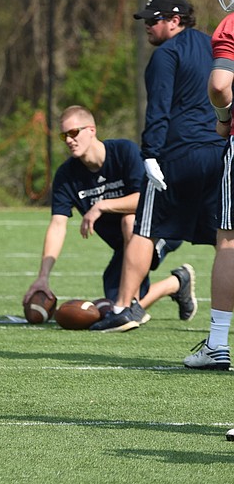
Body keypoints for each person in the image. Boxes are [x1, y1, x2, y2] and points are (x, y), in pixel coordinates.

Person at [99, 0, 225, 332]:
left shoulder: (166, 55)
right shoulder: (216, 44)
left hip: (178, 155)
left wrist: (150, 154)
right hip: (219, 151)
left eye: (154, 20)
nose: (148, 27)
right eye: (146, 21)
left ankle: (125, 307)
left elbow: (158, 110)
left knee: (145, 228)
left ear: (175, 20)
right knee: (225, 237)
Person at [23, 105, 193, 331]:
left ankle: (136, 306)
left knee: (129, 220)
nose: (69, 140)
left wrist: (102, 206)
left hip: (160, 228)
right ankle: (176, 283)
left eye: (74, 132)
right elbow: (57, 225)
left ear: (91, 130)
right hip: (125, 247)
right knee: (116, 304)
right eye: (64, 135)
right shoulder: (66, 175)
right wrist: (42, 277)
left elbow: (145, 200)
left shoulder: (124, 152)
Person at [185, 0, 234, 372]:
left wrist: (223, 120)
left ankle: (218, 342)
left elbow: (220, 86)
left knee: (230, 241)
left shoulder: (231, 24)